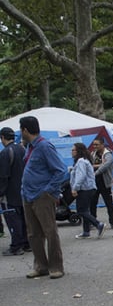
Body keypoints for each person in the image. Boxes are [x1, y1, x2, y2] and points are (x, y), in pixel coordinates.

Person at [19, 116, 69, 279]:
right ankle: (40, 266)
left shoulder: (44, 146)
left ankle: (56, 267)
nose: (21, 133)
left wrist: (48, 191)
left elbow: (61, 170)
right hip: (28, 195)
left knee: (49, 231)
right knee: (33, 233)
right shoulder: (30, 147)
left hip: (41, 196)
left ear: (25, 130)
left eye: (21, 130)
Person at [0, 127, 30, 255]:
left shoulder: (6, 153)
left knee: (13, 219)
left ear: (2, 138)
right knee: (23, 218)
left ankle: (16, 246)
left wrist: (1, 193)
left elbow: (3, 176)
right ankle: (26, 243)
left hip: (9, 193)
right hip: (22, 191)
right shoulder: (22, 149)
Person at [70, 142, 105, 239]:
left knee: (81, 211)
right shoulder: (83, 161)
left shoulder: (81, 161)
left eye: (73, 150)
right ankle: (86, 231)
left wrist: (75, 188)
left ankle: (98, 224)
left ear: (78, 151)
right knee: (85, 210)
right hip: (88, 188)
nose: (71, 152)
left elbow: (81, 176)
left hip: (85, 189)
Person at [90, 138, 113, 229]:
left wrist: (96, 171)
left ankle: (112, 222)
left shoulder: (107, 154)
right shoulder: (93, 154)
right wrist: (98, 165)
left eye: (97, 144)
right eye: (94, 145)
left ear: (102, 145)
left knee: (109, 203)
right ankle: (93, 222)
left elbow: (106, 165)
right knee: (92, 203)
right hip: (94, 182)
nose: (95, 146)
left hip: (105, 182)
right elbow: (89, 164)